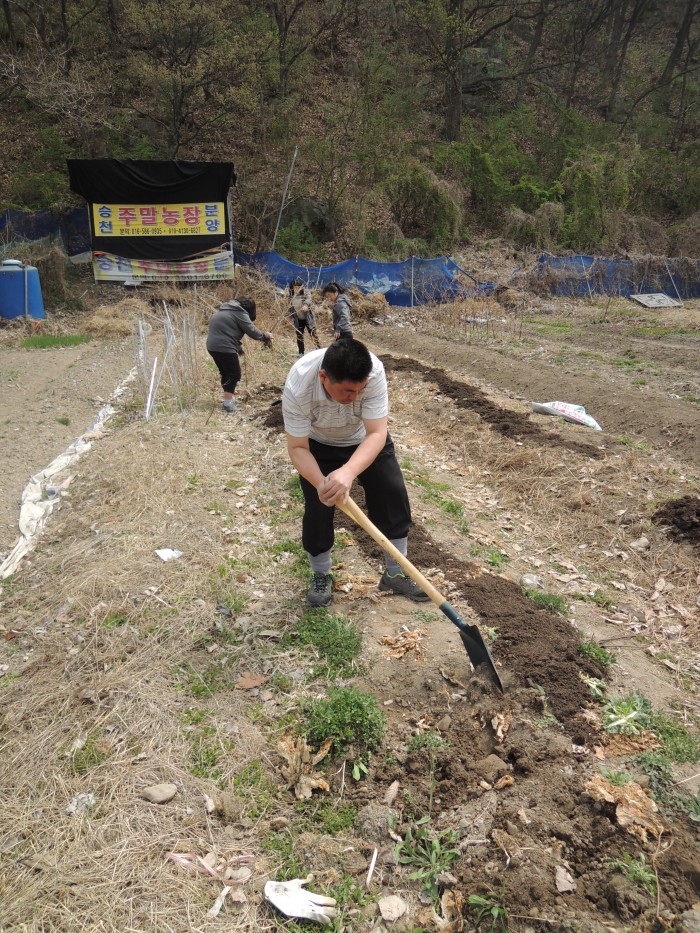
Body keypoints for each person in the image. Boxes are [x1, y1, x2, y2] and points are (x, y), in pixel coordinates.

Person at [282, 337, 429, 607]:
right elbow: (298, 447)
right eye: (349, 392)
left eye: (360, 391)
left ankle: (395, 573)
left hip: (364, 440)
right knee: (318, 507)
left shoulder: (372, 371)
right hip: (318, 444)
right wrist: (322, 484)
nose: (355, 398)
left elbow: (376, 432)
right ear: (324, 377)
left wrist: (348, 471)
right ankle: (321, 575)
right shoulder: (298, 385)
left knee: (392, 493)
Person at [206, 297, 273, 412]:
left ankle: (228, 399)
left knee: (226, 373)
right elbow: (251, 330)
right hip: (224, 346)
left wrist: (238, 348)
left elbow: (226, 332)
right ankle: (228, 404)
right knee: (234, 374)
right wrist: (265, 336)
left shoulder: (224, 310)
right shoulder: (239, 312)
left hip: (212, 346)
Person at [287, 277, 320, 358]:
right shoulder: (291, 297)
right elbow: (290, 309)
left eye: (299, 287)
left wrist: (305, 305)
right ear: (292, 288)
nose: (297, 289)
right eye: (295, 287)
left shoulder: (305, 292)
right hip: (298, 320)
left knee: (313, 333)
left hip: (308, 318)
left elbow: (309, 299)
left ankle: (318, 349)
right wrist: (291, 318)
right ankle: (301, 352)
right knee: (299, 336)